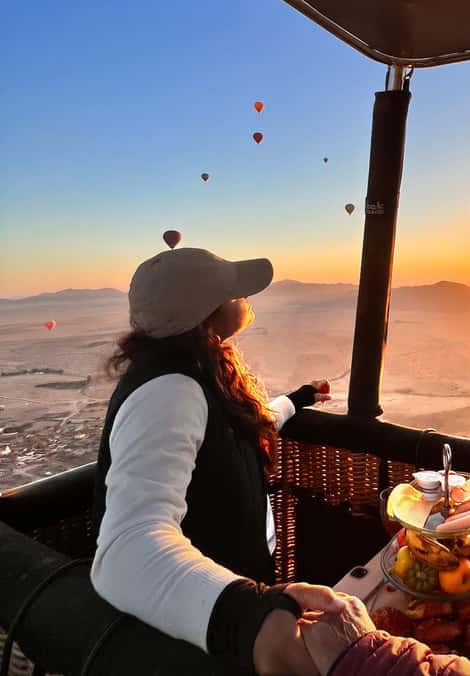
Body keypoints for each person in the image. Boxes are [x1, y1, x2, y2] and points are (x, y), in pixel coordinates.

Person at [92, 246, 344, 673]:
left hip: (230, 599)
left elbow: (240, 425)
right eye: (233, 293)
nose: (244, 300)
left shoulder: (193, 370)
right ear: (204, 314)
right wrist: (249, 618)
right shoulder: (168, 391)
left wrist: (298, 400)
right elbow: (126, 549)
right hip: (208, 645)